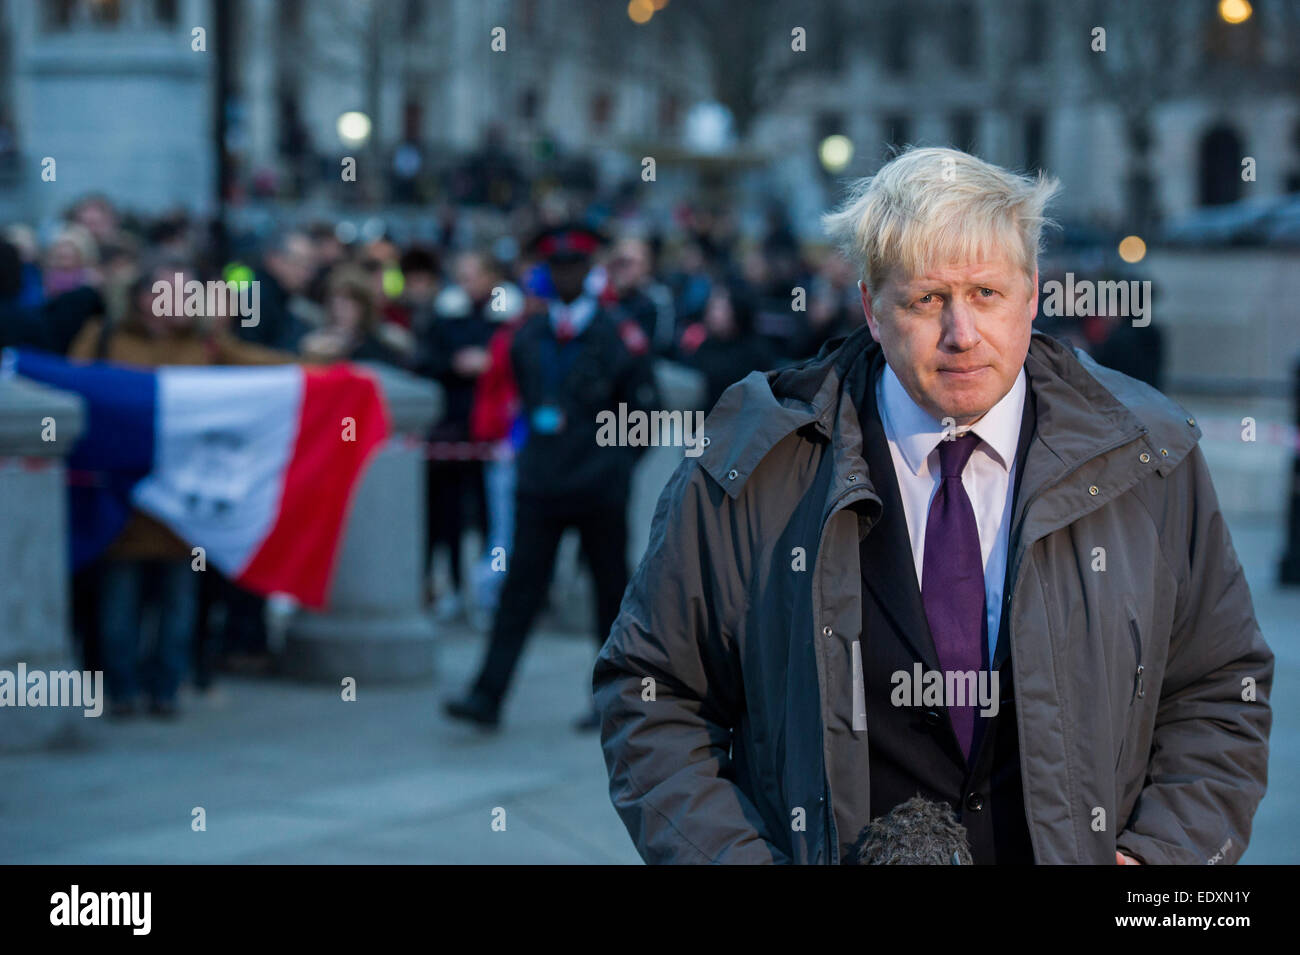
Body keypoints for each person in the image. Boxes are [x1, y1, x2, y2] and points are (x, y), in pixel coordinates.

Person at [593, 146, 1274, 864]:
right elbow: (651, 696)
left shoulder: (1150, 457)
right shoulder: (752, 465)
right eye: (926, 299)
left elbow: (1222, 687)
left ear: (1033, 291)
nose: (961, 335)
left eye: (986, 293)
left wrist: (1157, 857)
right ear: (870, 306)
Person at [444, 224, 660, 731]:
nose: (564, 275)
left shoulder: (617, 335)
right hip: (540, 484)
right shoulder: (531, 335)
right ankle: (486, 696)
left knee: (610, 595)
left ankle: (616, 704)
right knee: (519, 591)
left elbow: (643, 414)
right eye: (555, 267)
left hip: (598, 487)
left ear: (588, 272)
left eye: (574, 267)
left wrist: (614, 466)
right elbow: (525, 394)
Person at [68, 260, 291, 716]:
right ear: (144, 296)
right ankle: (122, 690)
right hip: (121, 501)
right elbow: (74, 387)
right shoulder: (105, 337)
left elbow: (261, 368)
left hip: (185, 510)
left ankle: (166, 688)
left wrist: (319, 369)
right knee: (118, 606)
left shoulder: (207, 345)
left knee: (178, 606)